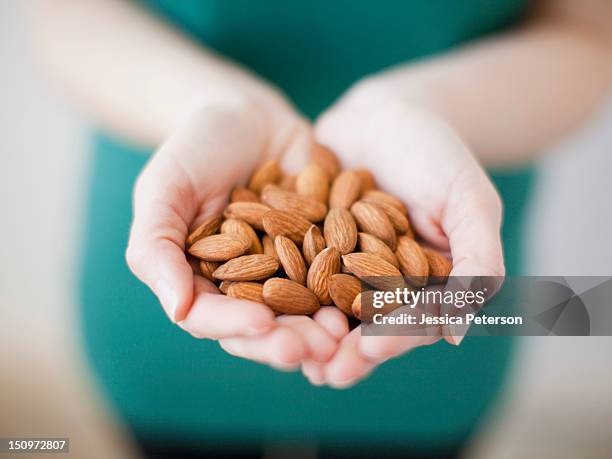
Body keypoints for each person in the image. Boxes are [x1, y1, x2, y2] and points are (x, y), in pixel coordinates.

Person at [31, 1, 612, 457]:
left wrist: (423, 106)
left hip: (437, 328)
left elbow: (589, 30)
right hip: (164, 305)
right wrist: (210, 103)